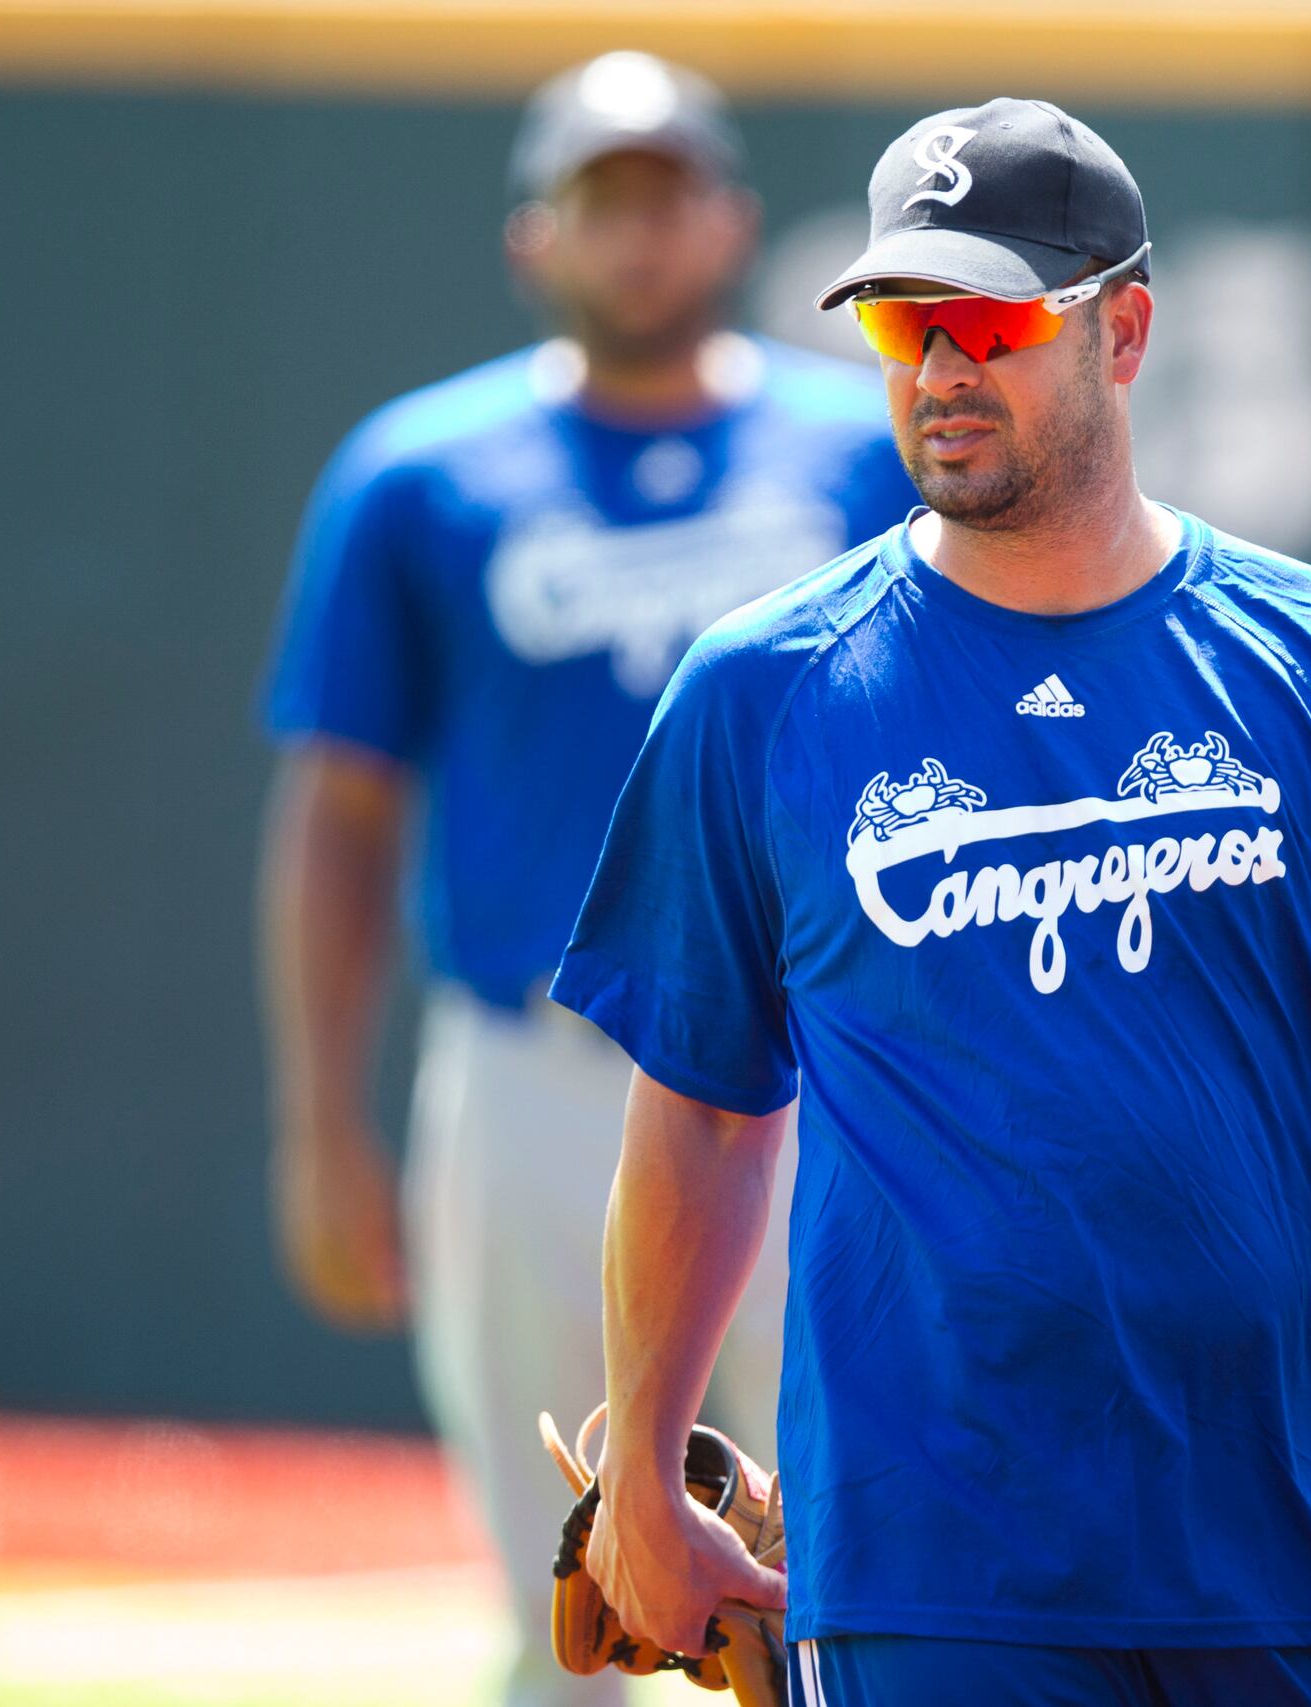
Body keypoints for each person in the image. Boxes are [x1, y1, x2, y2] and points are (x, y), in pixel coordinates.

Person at [549, 98, 1311, 1707]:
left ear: (1127, 330)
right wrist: (648, 1473)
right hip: (933, 1571)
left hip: (1305, 1554)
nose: (943, 366)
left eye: (996, 318)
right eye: (902, 319)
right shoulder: (761, 692)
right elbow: (700, 1121)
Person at [256, 52, 917, 1707]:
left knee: (865, 1570)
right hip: (531, 1072)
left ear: (735, 223)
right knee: (564, 1590)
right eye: (604, 202)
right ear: (535, 237)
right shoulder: (421, 473)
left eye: (669, 196)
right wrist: (324, 1120)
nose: (641, 238)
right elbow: (341, 811)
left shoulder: (860, 451)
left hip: (823, 1066)